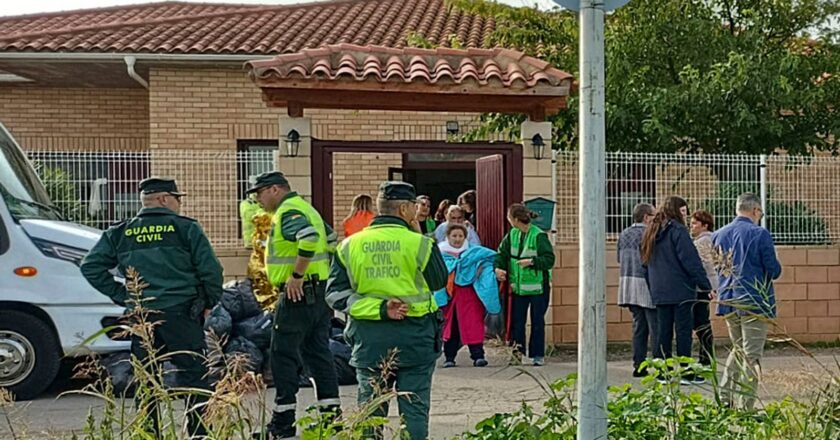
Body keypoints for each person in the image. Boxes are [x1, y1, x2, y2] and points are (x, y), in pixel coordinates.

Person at [80, 177, 223, 437]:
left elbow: (90, 266)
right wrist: (209, 302)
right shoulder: (185, 228)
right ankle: (199, 433)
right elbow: (211, 270)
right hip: (182, 313)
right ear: (164, 199)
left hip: (141, 316)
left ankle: (150, 432)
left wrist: (124, 295)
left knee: (147, 379)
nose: (179, 203)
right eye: (177, 198)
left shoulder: (120, 232)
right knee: (193, 376)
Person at [326, 181, 447, 440]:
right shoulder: (421, 244)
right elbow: (438, 281)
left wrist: (380, 308)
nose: (416, 210)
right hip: (415, 337)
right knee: (413, 409)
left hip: (369, 339)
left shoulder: (349, 246)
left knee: (370, 411)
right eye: (414, 206)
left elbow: (334, 295)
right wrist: (418, 233)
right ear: (404, 209)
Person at [247, 171, 340, 439]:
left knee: (282, 356)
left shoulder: (289, 210)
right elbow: (330, 240)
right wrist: (321, 276)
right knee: (319, 355)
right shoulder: (306, 208)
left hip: (297, 294)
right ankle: (331, 420)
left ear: (275, 189)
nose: (258, 200)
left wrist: (297, 276)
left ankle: (282, 424)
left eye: (260, 193)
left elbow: (309, 238)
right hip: (318, 294)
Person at [713, 193, 781, 409]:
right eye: (760, 212)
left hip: (729, 300)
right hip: (754, 300)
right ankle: (746, 406)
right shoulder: (760, 234)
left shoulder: (718, 234)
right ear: (754, 210)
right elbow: (773, 269)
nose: (760, 216)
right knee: (752, 355)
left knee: (739, 349)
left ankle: (725, 399)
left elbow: (719, 268)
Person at [640, 196, 712, 384]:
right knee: (683, 332)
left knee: (662, 332)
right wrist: (705, 286)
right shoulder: (678, 231)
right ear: (675, 211)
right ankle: (686, 373)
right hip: (682, 290)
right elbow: (691, 262)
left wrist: (652, 286)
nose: (686, 216)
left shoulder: (651, 232)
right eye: (683, 211)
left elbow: (645, 264)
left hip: (660, 290)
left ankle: (663, 372)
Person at [494, 204, 556, 366]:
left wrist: (532, 262)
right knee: (517, 321)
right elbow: (502, 253)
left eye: (509, 218)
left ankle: (537, 355)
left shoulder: (539, 236)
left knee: (537, 321)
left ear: (515, 219)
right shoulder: (512, 234)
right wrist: (499, 268)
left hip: (538, 288)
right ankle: (517, 353)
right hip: (518, 287)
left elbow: (549, 259)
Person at [435, 224, 500, 368]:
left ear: (465, 237)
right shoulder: (441, 254)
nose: (457, 239)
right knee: (452, 329)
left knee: (474, 325)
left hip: (470, 297)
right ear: (447, 237)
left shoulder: (474, 253)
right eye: (454, 236)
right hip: (451, 299)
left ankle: (478, 356)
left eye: (460, 236)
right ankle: (449, 358)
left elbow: (488, 262)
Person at [617, 202, 658, 377]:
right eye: (654, 216)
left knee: (639, 327)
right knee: (656, 327)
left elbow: (619, 258)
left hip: (627, 284)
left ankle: (638, 365)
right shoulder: (648, 233)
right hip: (646, 284)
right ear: (646, 217)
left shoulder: (624, 233)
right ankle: (660, 366)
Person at [689, 209, 718, 368]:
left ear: (704, 225)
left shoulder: (700, 242)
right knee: (702, 320)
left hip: (702, 286)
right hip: (711, 284)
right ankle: (706, 356)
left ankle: (706, 357)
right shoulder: (715, 239)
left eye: (695, 223)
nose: (691, 226)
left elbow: (699, 266)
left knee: (700, 322)